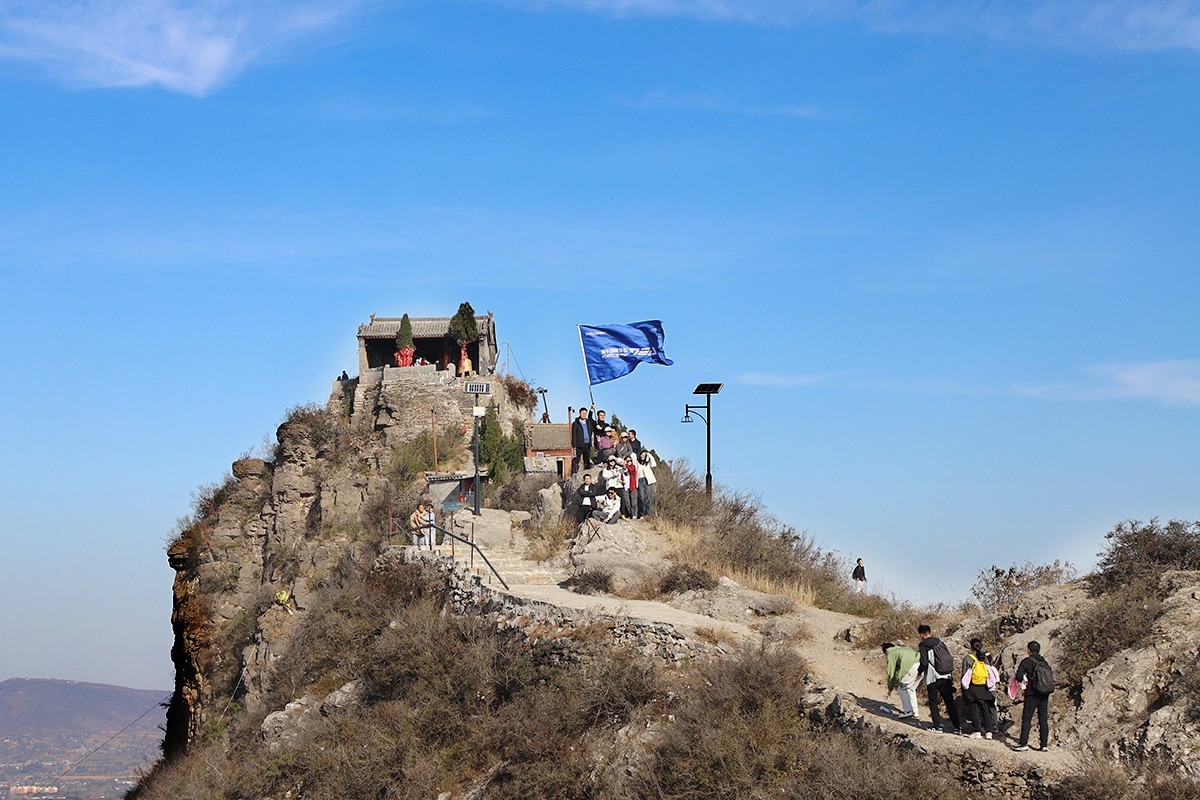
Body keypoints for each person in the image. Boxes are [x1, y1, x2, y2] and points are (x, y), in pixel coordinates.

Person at [917, 624, 962, 734]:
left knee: (933, 702)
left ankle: (937, 726)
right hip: (945, 676)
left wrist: (919, 672)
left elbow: (924, 662)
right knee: (949, 702)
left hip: (933, 677)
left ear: (921, 635)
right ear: (930, 632)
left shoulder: (923, 645)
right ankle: (957, 727)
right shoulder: (939, 642)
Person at [1013, 641, 1053, 751]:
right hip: (1044, 693)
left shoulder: (1026, 661)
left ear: (1028, 650)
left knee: (1027, 718)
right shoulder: (1044, 662)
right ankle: (1044, 745)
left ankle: (1023, 743)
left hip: (1032, 693)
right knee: (1043, 719)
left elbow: (1019, 676)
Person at [961, 638, 999, 739]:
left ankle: (977, 731)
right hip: (984, 687)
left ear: (971, 646)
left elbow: (964, 675)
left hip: (973, 687)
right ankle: (989, 732)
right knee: (985, 709)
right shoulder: (984, 657)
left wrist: (965, 689)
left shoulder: (968, 658)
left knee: (974, 709)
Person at [637, 450, 657, 517]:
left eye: (644, 455)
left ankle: (649, 513)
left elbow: (654, 464)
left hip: (648, 480)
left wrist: (649, 454)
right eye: (641, 455)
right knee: (641, 497)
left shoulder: (648, 463)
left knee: (649, 497)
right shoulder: (637, 463)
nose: (642, 456)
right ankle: (641, 514)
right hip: (640, 480)